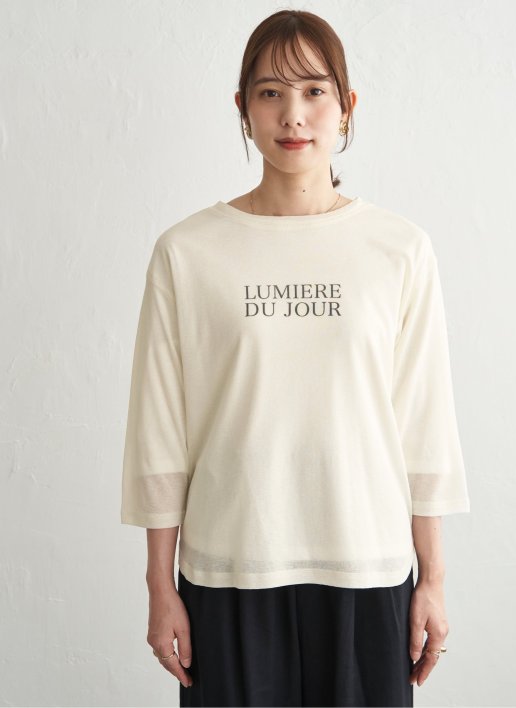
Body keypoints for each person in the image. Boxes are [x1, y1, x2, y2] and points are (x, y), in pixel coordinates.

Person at [120, 9, 471, 708]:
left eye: (314, 91)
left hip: (369, 568)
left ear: (346, 105)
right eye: (270, 92)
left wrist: (432, 578)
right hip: (228, 571)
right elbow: (160, 430)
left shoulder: (399, 249)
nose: (293, 115)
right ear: (243, 108)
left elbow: (423, 422)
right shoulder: (188, 252)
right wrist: (160, 585)